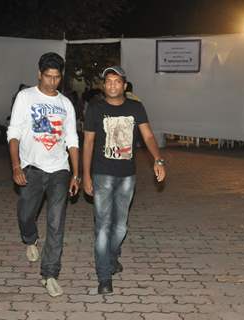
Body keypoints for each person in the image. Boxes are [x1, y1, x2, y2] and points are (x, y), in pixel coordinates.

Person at [83, 66, 166, 294]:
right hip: (102, 174)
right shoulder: (95, 108)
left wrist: (158, 159)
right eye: (108, 81)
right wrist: (85, 175)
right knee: (102, 227)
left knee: (120, 227)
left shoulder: (135, 107)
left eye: (116, 81)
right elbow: (88, 142)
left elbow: (148, 135)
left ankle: (110, 258)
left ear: (124, 85)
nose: (112, 85)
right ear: (103, 85)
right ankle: (103, 277)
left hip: (127, 175)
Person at [7, 52, 80, 297]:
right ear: (39, 74)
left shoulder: (66, 104)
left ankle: (49, 274)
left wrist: (76, 173)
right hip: (31, 168)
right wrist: (16, 166)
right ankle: (30, 238)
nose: (52, 82)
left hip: (59, 169)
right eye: (48, 77)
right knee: (26, 214)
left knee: (56, 223)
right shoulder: (25, 97)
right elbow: (14, 133)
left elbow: (72, 139)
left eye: (57, 77)